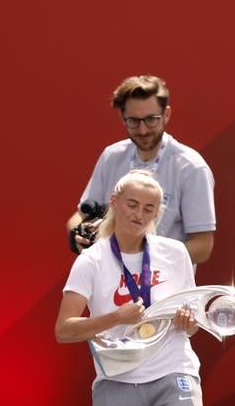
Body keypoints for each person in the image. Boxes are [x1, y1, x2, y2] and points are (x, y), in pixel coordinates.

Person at [55, 170, 203, 406]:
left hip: (173, 371)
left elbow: (192, 325)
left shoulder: (175, 252)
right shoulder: (91, 260)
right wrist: (115, 318)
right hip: (117, 378)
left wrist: (189, 322)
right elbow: (64, 330)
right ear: (114, 202)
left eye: (148, 209)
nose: (139, 215)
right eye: (132, 205)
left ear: (156, 213)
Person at [67, 75, 216, 265]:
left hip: (164, 287)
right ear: (123, 119)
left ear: (167, 114)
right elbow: (80, 215)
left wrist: (142, 259)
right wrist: (76, 233)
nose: (143, 130)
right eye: (134, 121)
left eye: (151, 119)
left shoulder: (191, 167)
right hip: (107, 282)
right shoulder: (111, 156)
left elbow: (203, 247)